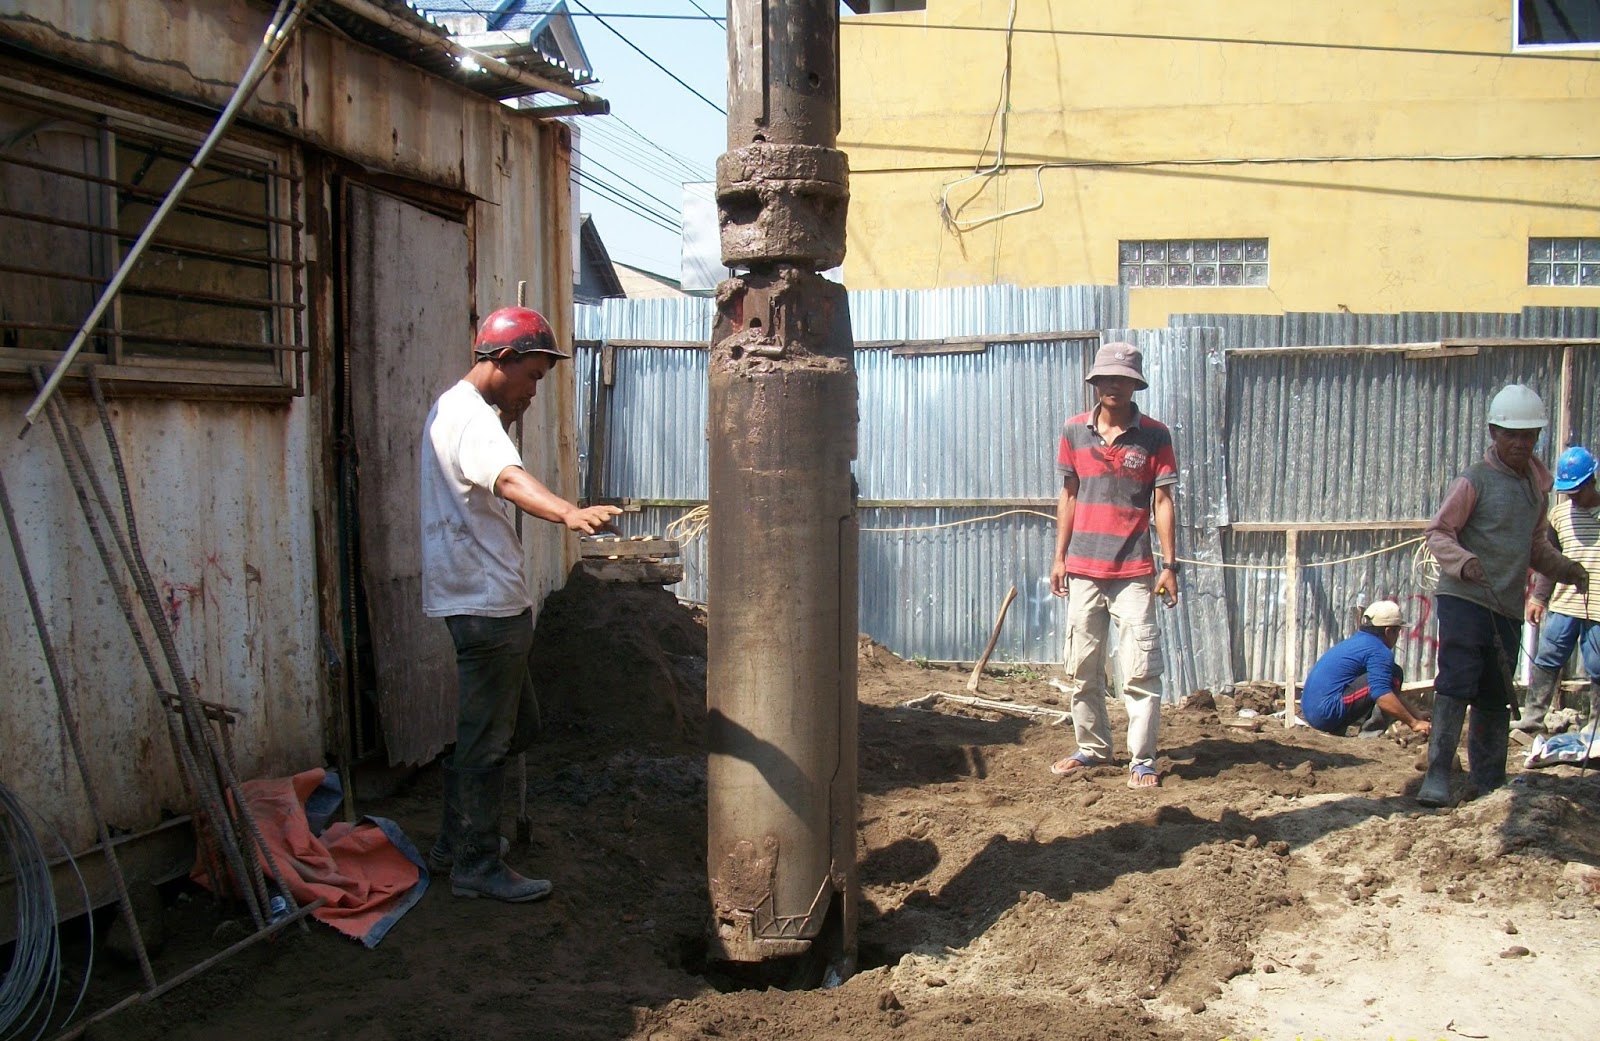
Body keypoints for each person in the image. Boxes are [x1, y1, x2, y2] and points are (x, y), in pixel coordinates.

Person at [420, 306, 621, 902]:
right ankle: (475, 863)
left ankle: (455, 841)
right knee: (489, 739)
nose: (534, 390)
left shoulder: (449, 408)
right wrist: (567, 512)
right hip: (487, 606)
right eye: (532, 376)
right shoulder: (475, 419)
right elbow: (507, 478)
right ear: (500, 361)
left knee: (512, 726)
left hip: (475, 600)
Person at [1418, 384, 1587, 807]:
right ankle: (1437, 775)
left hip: (1506, 605)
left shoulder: (1535, 488)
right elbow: (1439, 531)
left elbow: (1535, 546)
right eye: (1512, 434)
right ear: (1494, 433)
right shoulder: (1474, 481)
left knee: (1496, 691)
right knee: (1457, 682)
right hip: (1465, 598)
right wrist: (1462, 561)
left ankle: (1489, 779)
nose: (1520, 443)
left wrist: (1565, 569)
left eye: (1528, 435)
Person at [1048, 341, 1179, 790]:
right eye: (1106, 378)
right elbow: (1068, 496)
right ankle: (1093, 748)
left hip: (1135, 573)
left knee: (1140, 670)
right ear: (1095, 383)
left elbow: (1163, 501)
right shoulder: (1072, 432)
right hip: (1083, 570)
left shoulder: (1155, 436)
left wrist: (1169, 565)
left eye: (1122, 379)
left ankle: (1142, 760)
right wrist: (1059, 557)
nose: (1113, 386)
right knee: (1082, 666)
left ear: (1134, 384)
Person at [1519, 445, 1600, 732]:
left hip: (1598, 608)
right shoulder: (1559, 515)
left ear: (1592, 480)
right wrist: (1539, 597)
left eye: (1578, 490)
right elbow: (1549, 559)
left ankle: (1595, 725)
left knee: (1597, 665)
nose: (1573, 496)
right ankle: (1532, 719)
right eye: (1569, 491)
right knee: (1547, 658)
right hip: (1564, 604)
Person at [1299, 600, 1431, 738]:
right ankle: (1370, 735)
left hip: (1313, 712)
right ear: (1388, 631)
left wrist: (1416, 713)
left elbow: (1385, 689)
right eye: (1398, 631)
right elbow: (1382, 694)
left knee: (1385, 678)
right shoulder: (1379, 651)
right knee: (1392, 675)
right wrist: (1414, 723)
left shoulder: (1358, 642)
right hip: (1325, 714)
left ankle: (1340, 729)